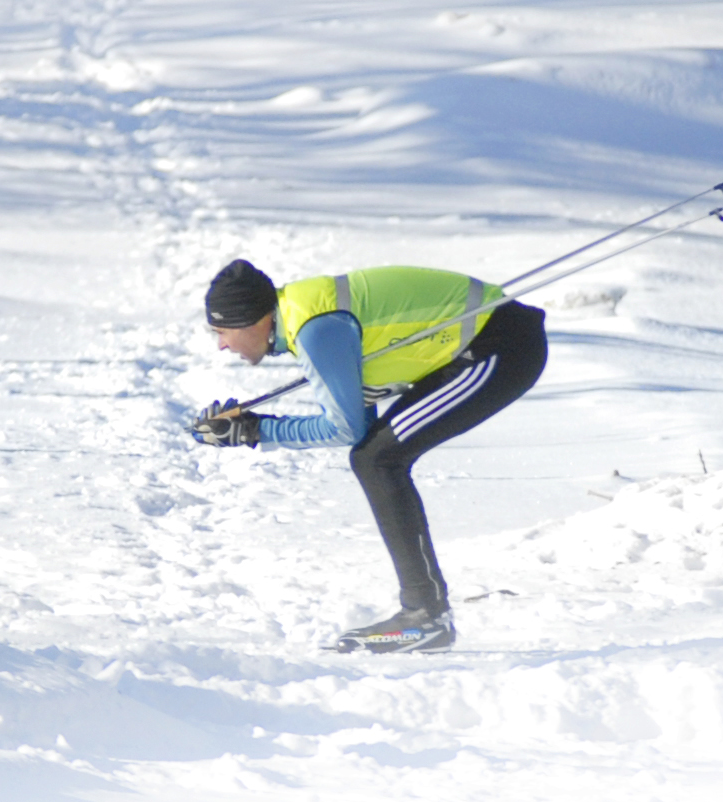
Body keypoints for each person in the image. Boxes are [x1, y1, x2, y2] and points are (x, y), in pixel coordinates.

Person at [189, 257, 548, 653]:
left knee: (377, 460)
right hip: (480, 345)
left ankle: (425, 617)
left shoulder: (314, 329)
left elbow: (346, 428)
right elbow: (359, 408)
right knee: (374, 458)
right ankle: (424, 613)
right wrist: (251, 427)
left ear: (252, 320)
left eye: (222, 331)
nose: (222, 344)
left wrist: (256, 430)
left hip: (500, 347)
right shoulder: (302, 317)